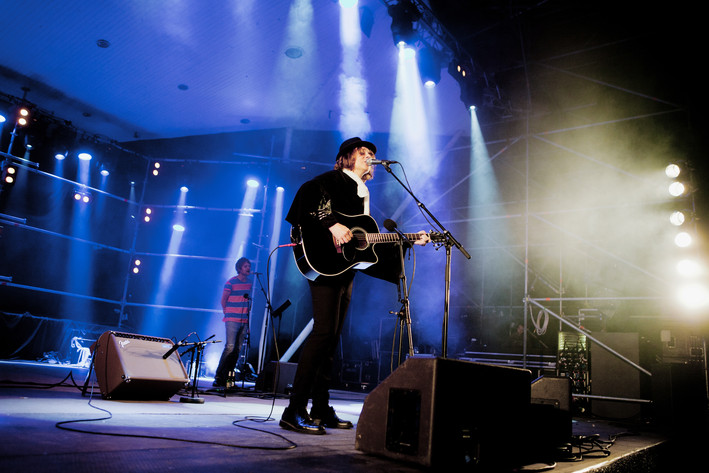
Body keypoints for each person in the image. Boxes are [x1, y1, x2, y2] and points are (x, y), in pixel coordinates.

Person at [279, 137, 429, 434]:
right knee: (322, 334)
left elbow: (365, 239)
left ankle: (320, 408)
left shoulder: (361, 189)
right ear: (346, 158)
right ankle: (293, 409)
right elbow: (308, 194)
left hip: (343, 268)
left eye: (372, 154)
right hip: (323, 263)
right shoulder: (334, 179)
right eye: (363, 153)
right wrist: (331, 223)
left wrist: (408, 239)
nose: (370, 157)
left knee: (332, 339)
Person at [213, 257, 252, 387]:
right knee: (230, 347)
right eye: (246, 266)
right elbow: (223, 300)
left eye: (249, 266)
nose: (248, 268)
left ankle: (229, 379)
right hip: (232, 319)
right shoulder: (231, 282)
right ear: (239, 268)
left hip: (244, 320)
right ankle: (219, 375)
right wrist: (227, 312)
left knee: (238, 349)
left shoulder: (250, 284)